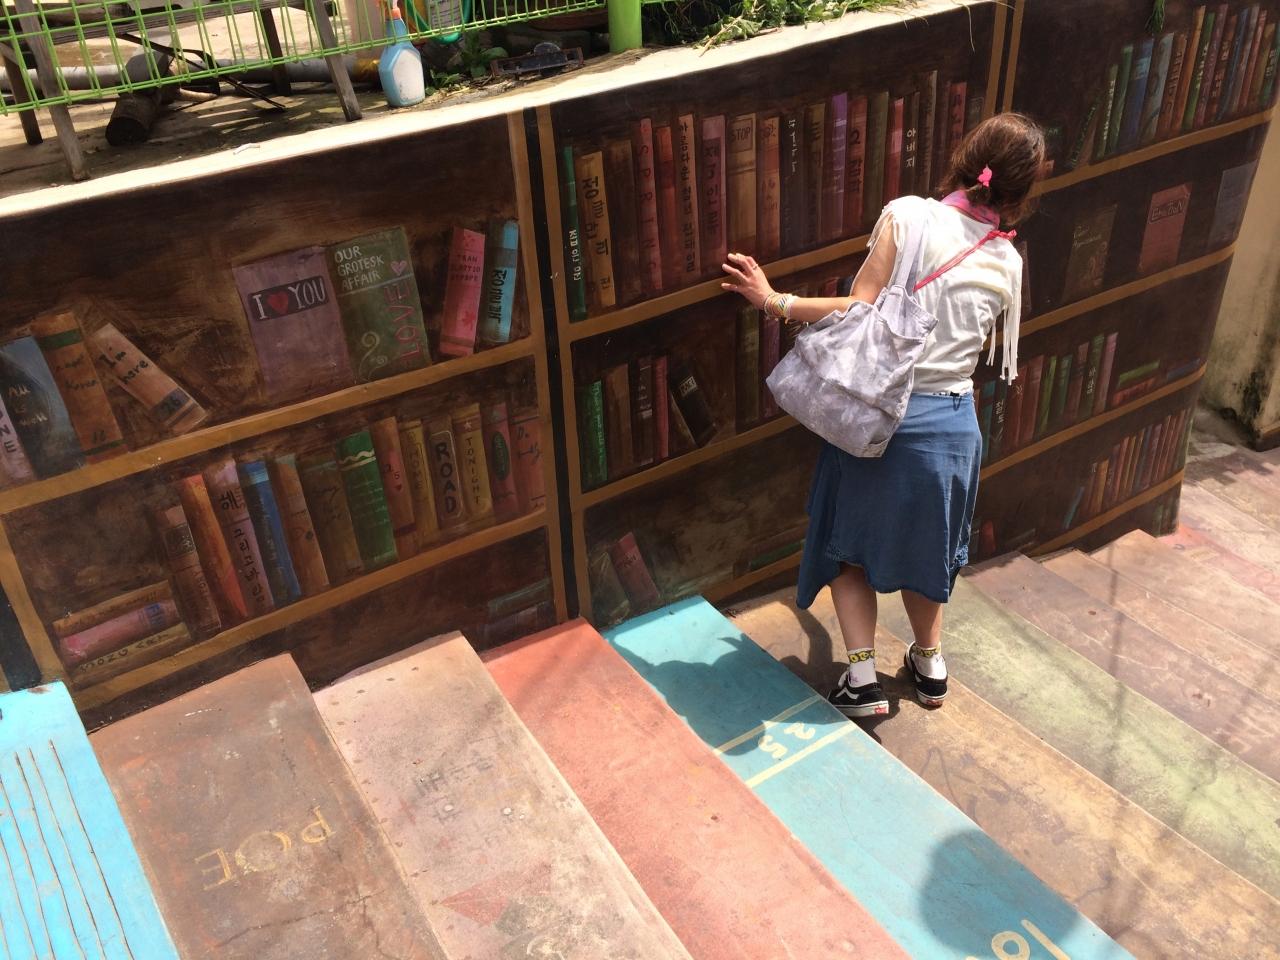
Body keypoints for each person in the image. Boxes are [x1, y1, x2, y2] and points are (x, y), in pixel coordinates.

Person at [720, 112, 1046, 717]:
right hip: (954, 429)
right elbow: (984, 347)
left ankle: (863, 679)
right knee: (930, 554)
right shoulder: (1009, 261)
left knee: (847, 547)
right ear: (1023, 190)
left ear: (966, 154)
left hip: (881, 420)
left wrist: (772, 299)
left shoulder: (909, 217)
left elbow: (859, 308)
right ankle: (930, 666)